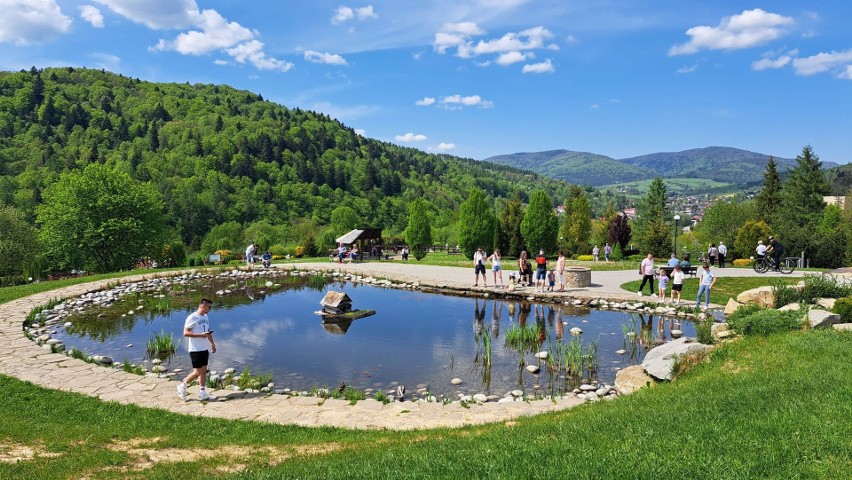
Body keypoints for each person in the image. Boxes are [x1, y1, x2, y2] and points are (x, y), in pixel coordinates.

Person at [177, 298, 216, 402]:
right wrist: (200, 335)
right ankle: (182, 386)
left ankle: (202, 393)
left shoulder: (206, 317)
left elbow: (207, 331)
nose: (210, 309)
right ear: (203, 306)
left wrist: (212, 343)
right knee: (197, 372)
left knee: (203, 371)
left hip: (204, 348)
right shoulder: (192, 317)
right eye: (209, 307)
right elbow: (185, 333)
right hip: (195, 349)